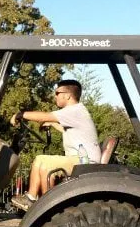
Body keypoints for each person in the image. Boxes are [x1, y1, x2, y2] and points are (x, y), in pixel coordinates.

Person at [9, 79, 101, 211]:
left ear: (67, 95)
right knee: (40, 159)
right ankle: (31, 198)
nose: (55, 96)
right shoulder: (76, 112)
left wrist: (21, 114)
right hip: (80, 158)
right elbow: (69, 131)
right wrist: (52, 124)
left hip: (85, 161)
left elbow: (44, 116)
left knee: (47, 165)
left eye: (57, 93)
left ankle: (49, 209)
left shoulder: (74, 110)